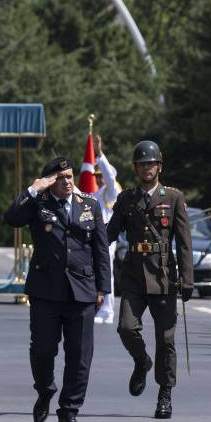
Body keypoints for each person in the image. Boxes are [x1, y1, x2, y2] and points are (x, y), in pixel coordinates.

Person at [3, 156, 110, 422]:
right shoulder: (38, 203)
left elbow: (101, 249)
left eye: (70, 176)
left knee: (80, 355)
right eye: (60, 178)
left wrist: (103, 289)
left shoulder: (89, 205)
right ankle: (44, 389)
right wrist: (33, 189)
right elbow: (11, 218)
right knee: (42, 349)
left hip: (82, 291)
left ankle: (69, 411)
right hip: (46, 291)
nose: (67, 181)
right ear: (49, 181)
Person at [106, 140, 193, 419]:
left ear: (159, 167)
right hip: (132, 275)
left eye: (151, 163)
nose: (147, 168)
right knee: (125, 328)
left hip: (164, 275)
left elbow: (184, 242)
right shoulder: (127, 199)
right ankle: (141, 361)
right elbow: (108, 233)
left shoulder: (174, 198)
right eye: (142, 164)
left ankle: (165, 392)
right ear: (135, 168)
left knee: (166, 340)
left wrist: (188, 279)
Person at [90, 136, 121, 325]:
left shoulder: (112, 191)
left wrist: (99, 153)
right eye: (96, 175)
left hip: (107, 238)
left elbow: (110, 177)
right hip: (95, 237)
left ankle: (108, 310)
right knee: (98, 273)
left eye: (100, 175)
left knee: (106, 273)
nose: (99, 178)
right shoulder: (98, 193)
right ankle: (100, 307)